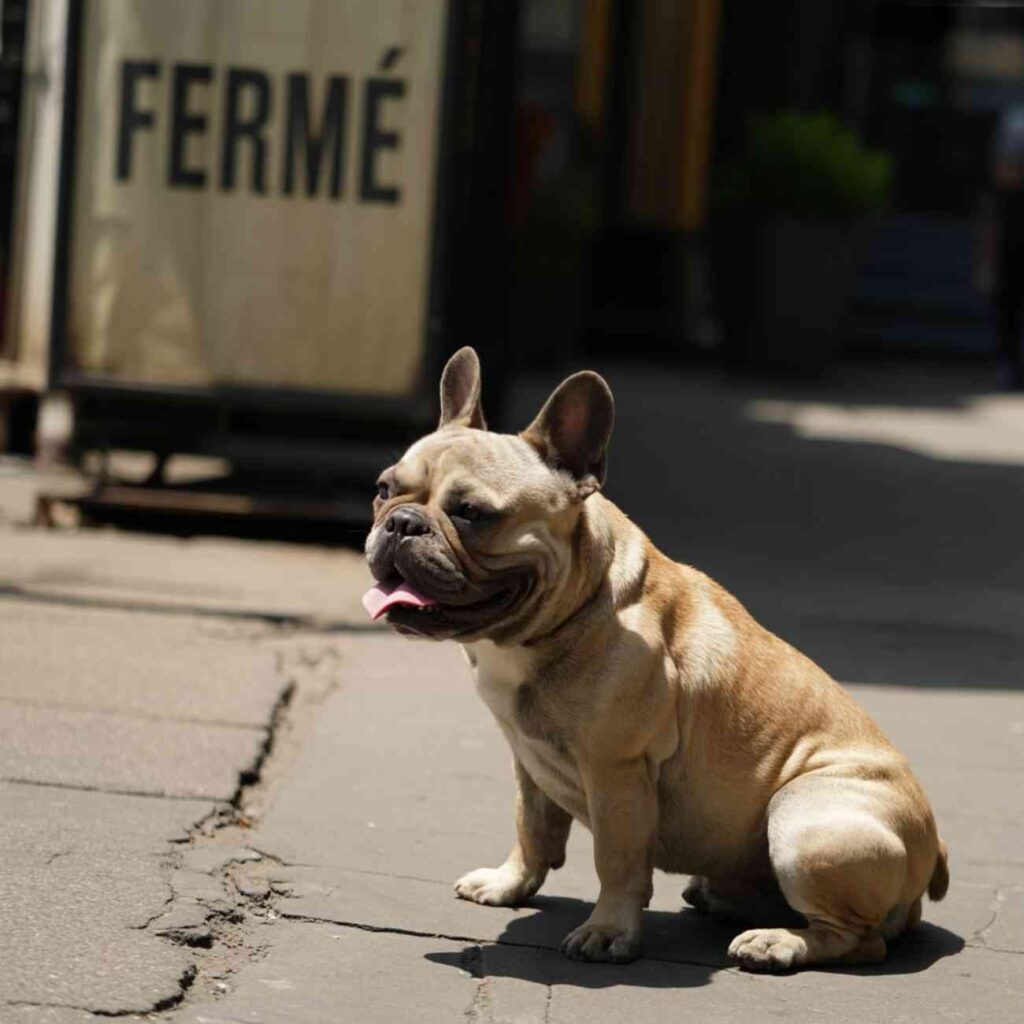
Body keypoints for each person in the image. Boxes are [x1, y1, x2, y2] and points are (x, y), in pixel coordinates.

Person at [992, 105, 1024, 389]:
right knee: (1009, 300)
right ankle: (1008, 364)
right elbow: (1004, 175)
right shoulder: (1016, 121)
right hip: (1015, 229)